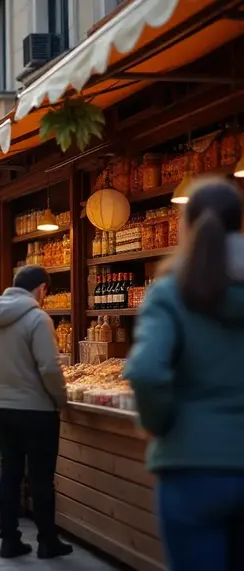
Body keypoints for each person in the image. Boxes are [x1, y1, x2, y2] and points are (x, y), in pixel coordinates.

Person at [124, 178, 244, 570]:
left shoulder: (171, 291)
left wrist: (160, 423)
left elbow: (145, 371)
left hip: (189, 466)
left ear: (187, 225)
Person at [0, 265, 70, 559]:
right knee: (40, 476)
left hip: (2, 408)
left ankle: (9, 539)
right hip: (37, 409)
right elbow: (49, 367)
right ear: (41, 289)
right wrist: (60, 399)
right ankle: (47, 541)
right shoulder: (38, 318)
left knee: (10, 472)